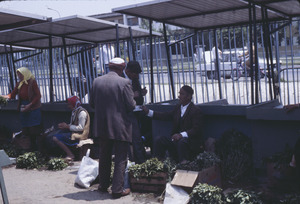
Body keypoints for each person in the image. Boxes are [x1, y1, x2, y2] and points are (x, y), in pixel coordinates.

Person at [89, 57, 136, 199]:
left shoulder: (97, 81)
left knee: (104, 156)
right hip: (120, 126)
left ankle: (103, 186)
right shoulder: (124, 82)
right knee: (121, 157)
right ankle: (117, 189)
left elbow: (91, 104)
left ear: (109, 67)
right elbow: (131, 105)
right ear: (122, 68)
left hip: (102, 125)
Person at [142, 85, 203, 163]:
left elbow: (196, 129)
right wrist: (149, 112)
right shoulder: (178, 108)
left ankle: (184, 164)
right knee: (160, 140)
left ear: (189, 97)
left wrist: (181, 135)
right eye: (179, 93)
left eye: (182, 94)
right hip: (176, 141)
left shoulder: (196, 111)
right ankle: (157, 163)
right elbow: (165, 116)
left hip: (190, 143)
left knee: (182, 142)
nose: (179, 96)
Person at [1, 67, 42, 151]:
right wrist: (2, 97)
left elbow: (38, 96)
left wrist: (30, 105)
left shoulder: (32, 82)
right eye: (18, 74)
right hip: (23, 107)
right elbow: (12, 95)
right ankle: (28, 147)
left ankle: (35, 147)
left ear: (25, 74)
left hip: (33, 107)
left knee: (33, 128)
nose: (19, 76)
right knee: (25, 128)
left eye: (20, 74)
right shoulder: (19, 84)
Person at [121, 61, 148, 164]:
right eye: (134, 73)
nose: (136, 76)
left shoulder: (135, 79)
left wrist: (141, 93)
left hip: (137, 111)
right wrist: (132, 95)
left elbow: (137, 93)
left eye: (137, 74)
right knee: (134, 138)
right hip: (127, 113)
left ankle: (139, 158)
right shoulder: (121, 80)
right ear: (127, 71)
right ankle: (138, 161)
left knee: (138, 137)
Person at [52, 96, 90, 161]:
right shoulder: (75, 111)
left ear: (74, 104)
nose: (68, 106)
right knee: (59, 133)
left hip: (81, 134)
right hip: (75, 132)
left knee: (55, 138)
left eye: (69, 104)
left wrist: (68, 127)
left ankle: (70, 155)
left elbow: (81, 128)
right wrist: (65, 125)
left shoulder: (82, 113)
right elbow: (73, 124)